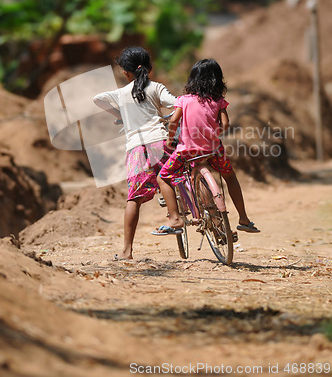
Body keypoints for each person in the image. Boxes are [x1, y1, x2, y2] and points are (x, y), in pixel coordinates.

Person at [93, 46, 181, 259]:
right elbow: (178, 103)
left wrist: (122, 114)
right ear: (149, 67)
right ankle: (179, 216)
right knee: (173, 177)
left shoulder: (121, 93)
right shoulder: (156, 88)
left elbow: (97, 98)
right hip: (160, 143)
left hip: (136, 150)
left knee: (134, 199)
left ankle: (126, 251)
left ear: (125, 72)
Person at [155, 58, 260, 235]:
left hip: (187, 151)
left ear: (192, 80)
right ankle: (243, 218)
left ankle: (174, 217)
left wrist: (169, 140)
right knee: (230, 176)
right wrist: (212, 133)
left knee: (163, 178)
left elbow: (173, 121)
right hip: (213, 150)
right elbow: (225, 125)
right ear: (217, 80)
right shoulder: (219, 101)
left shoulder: (183, 100)